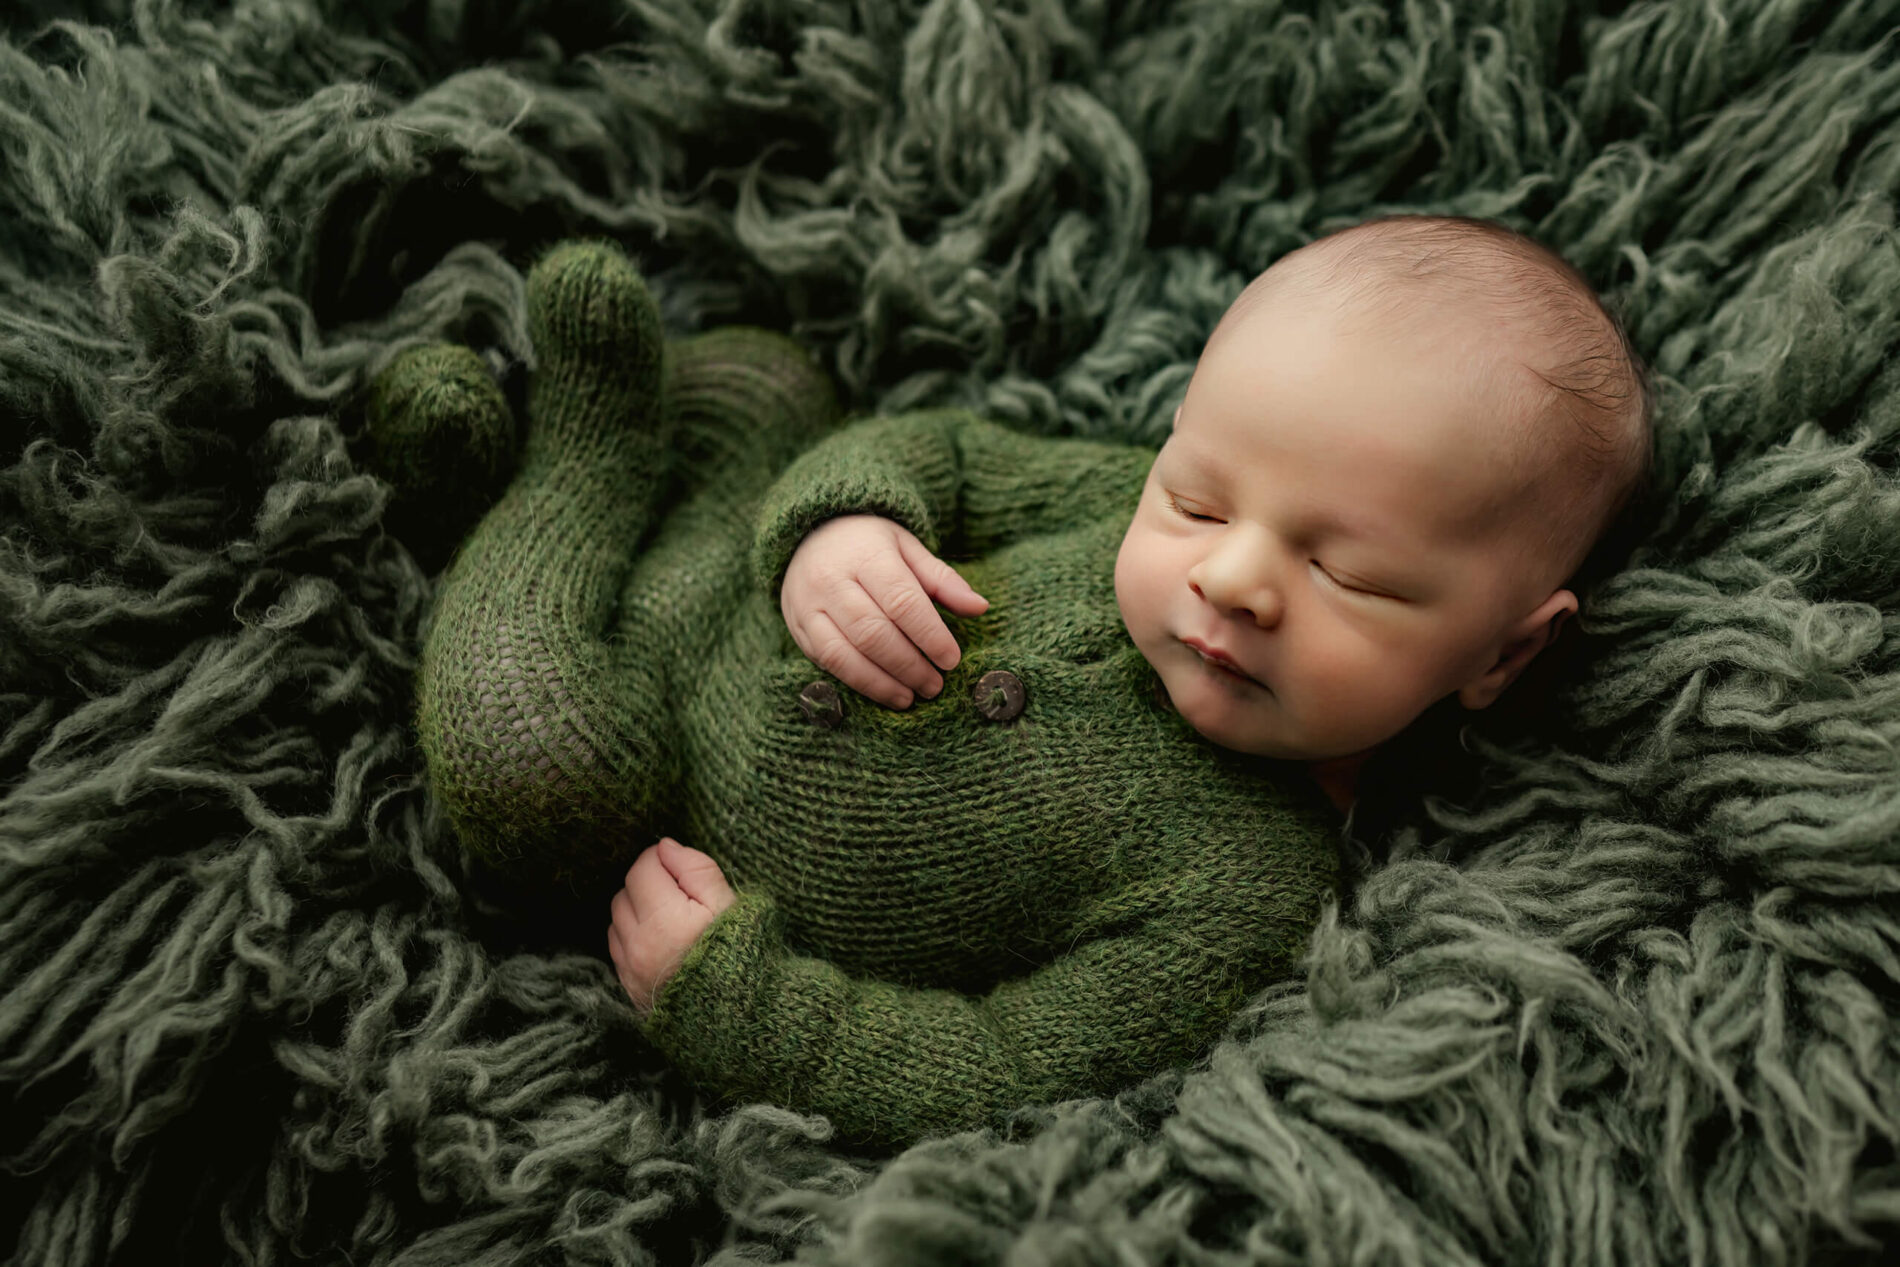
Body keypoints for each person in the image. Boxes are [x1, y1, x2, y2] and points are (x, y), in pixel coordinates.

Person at [366, 213, 1653, 1147]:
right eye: (1196, 496)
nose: (1233, 577)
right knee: (768, 385)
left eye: (1350, 575)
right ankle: (566, 490)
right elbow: (944, 450)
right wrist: (844, 524)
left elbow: (995, 1070)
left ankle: (561, 475)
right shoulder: (1110, 505)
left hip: (638, 796)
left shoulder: (1246, 896)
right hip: (726, 584)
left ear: (1503, 652)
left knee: (536, 764)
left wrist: (741, 1001)